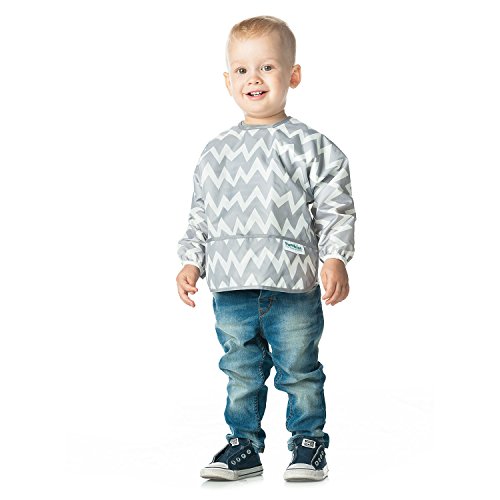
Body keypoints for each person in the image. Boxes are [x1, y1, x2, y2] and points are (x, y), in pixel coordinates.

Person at [176, 15, 356, 482]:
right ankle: (243, 446)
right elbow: (200, 212)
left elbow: (335, 207)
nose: (253, 78)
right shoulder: (215, 151)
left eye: (267, 67)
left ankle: (308, 444)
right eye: (241, 70)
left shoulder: (312, 146)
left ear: (293, 75)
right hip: (231, 285)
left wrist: (335, 256)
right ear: (227, 81)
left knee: (299, 369)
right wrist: (191, 260)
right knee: (240, 371)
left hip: (292, 284)